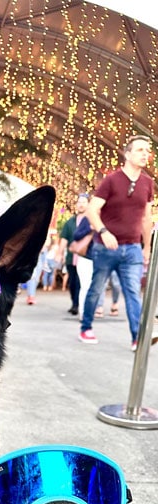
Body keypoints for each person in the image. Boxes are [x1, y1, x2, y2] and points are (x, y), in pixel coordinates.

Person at [79, 135, 154, 350]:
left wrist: (146, 247)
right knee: (96, 288)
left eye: (147, 150)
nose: (145, 154)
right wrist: (104, 232)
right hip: (105, 248)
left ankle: (137, 338)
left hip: (132, 249)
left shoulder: (148, 183)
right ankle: (86, 327)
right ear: (127, 154)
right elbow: (92, 210)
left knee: (132, 292)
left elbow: (146, 219)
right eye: (140, 150)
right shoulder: (111, 180)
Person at [58, 192, 89, 315]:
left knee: (82, 282)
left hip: (86, 257)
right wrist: (59, 253)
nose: (81, 205)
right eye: (79, 202)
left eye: (84, 202)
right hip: (72, 258)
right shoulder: (70, 222)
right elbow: (64, 239)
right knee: (73, 282)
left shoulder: (91, 220)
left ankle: (79, 305)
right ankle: (75, 303)